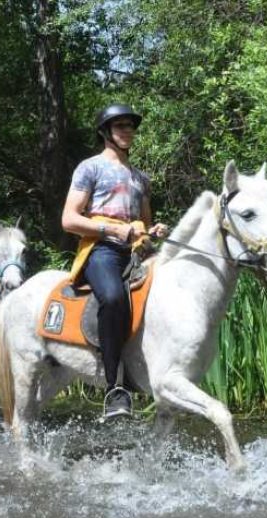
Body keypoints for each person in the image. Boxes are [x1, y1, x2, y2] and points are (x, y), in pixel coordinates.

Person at [61, 103, 169, 419]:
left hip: (136, 251)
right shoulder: (89, 168)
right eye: (120, 126)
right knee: (112, 297)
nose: (127, 131)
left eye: (130, 126)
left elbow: (144, 225)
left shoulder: (140, 178)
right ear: (106, 132)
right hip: (101, 250)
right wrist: (111, 228)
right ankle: (114, 389)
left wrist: (153, 230)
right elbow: (68, 219)